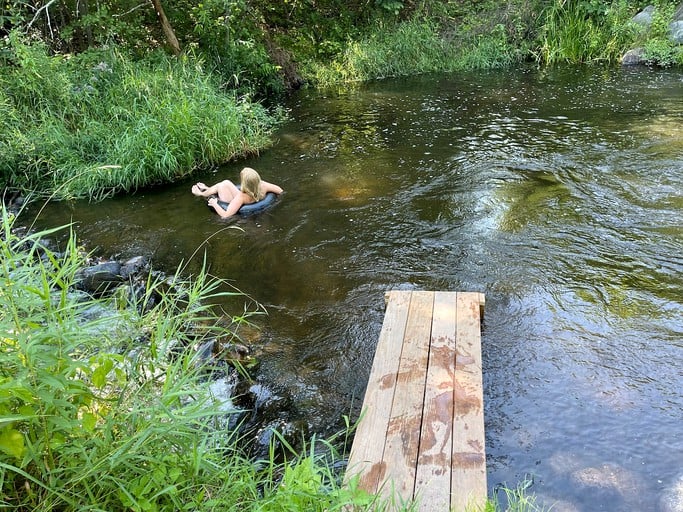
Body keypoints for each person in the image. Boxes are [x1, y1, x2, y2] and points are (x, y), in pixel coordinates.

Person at [191, 167, 283, 218]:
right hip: (253, 198)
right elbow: (280, 191)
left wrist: (214, 204)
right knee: (225, 183)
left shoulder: (241, 197)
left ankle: (202, 193)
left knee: (223, 185)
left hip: (232, 203)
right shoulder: (263, 185)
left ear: (245, 184)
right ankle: (208, 188)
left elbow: (225, 215)